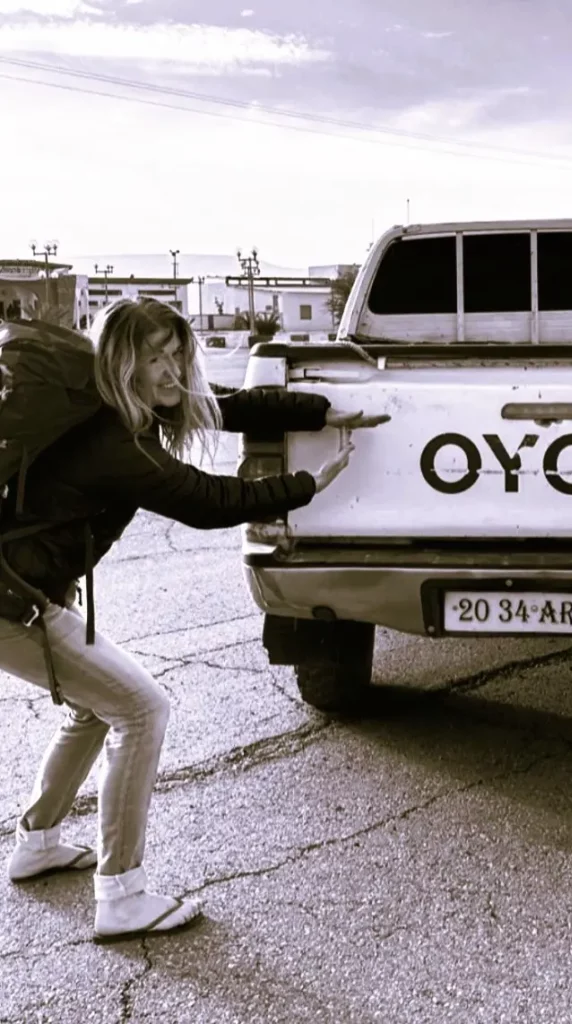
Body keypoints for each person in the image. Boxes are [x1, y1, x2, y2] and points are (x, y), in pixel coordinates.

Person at [0, 296, 390, 943]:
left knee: (99, 705)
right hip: (12, 604)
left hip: (20, 594)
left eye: (178, 353)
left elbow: (226, 405)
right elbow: (204, 501)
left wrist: (323, 411)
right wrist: (305, 486)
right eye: (156, 356)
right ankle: (122, 894)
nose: (172, 370)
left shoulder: (116, 409)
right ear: (124, 358)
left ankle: (38, 840)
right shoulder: (112, 441)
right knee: (141, 709)